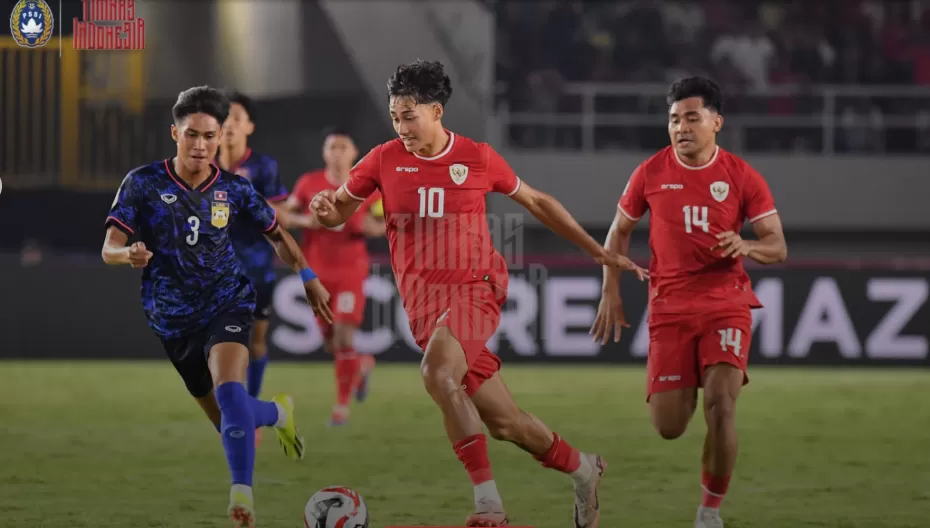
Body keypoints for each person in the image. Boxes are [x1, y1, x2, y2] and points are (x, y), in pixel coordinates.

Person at [309, 60, 647, 528]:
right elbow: (336, 214)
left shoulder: (477, 157)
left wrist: (595, 249)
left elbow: (537, 201)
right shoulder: (382, 159)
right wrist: (325, 209)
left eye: (409, 116)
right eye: (394, 116)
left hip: (477, 287)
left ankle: (489, 505)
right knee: (506, 424)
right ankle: (585, 469)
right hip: (424, 308)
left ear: (436, 111)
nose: (401, 126)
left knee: (436, 372)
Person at [101, 86, 334, 528]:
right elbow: (108, 247)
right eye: (192, 135)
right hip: (171, 319)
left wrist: (307, 276)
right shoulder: (142, 183)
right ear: (175, 133)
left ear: (220, 135)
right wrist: (125, 255)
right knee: (230, 419)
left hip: (228, 300)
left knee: (230, 395)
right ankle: (278, 412)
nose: (201, 145)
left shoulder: (235, 189)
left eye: (210, 136)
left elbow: (278, 235)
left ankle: (241, 497)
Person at [591, 76, 788, 528]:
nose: (681, 127)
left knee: (722, 403)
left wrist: (747, 246)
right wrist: (611, 289)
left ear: (716, 122)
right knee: (669, 426)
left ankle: (709, 512)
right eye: (674, 119)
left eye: (692, 118)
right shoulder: (650, 172)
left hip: (726, 304)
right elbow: (618, 231)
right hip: (669, 310)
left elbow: (777, 246)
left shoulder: (741, 176)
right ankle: (693, 391)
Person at [217, 91, 304, 433]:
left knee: (253, 343)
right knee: (217, 348)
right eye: (222, 118)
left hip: (255, 270)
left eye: (236, 118)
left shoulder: (263, 167)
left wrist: (249, 203)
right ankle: (250, 411)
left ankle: (249, 410)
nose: (228, 125)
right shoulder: (202, 165)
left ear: (249, 126)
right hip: (213, 273)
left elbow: (281, 214)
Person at [287, 128, 386, 427]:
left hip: (350, 272)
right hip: (316, 273)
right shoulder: (309, 183)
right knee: (331, 343)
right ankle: (362, 364)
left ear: (354, 153)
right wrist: (306, 220)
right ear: (325, 152)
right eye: (333, 147)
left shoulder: (367, 187)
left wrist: (369, 225)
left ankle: (341, 408)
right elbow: (283, 214)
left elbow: (385, 221)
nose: (338, 152)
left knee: (344, 338)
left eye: (344, 147)